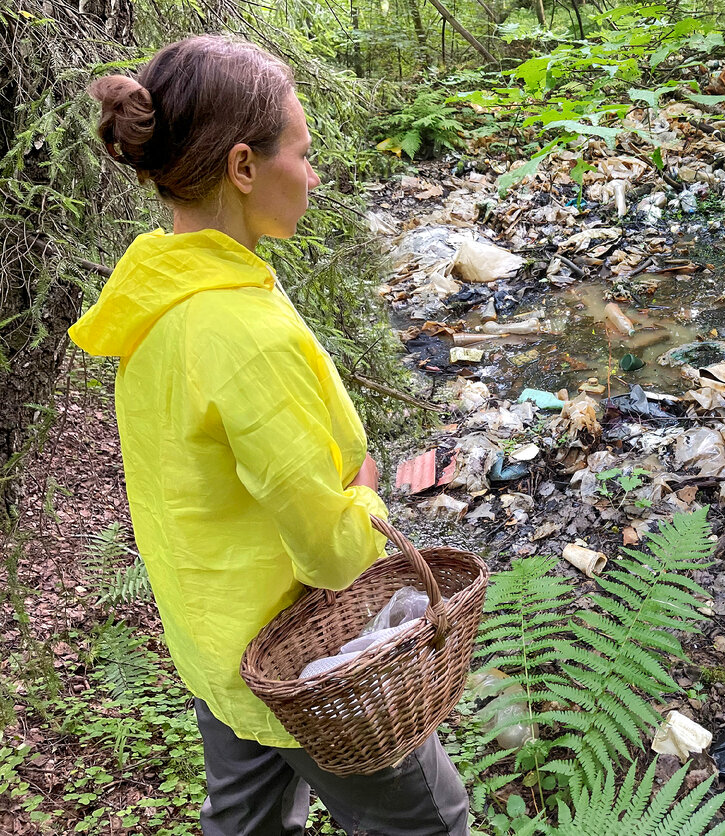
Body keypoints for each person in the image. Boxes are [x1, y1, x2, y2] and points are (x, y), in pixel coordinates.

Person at [69, 34, 468, 836]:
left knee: (246, 824)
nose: (313, 175)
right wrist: (361, 493)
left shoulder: (158, 294)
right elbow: (331, 553)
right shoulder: (242, 330)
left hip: (216, 644)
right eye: (303, 153)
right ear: (244, 168)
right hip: (304, 661)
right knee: (433, 822)